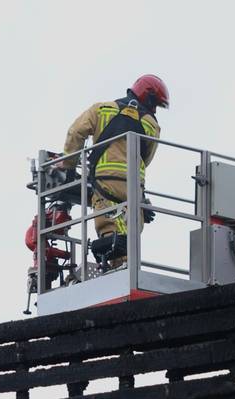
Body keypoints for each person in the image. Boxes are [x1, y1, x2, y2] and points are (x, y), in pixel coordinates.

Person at [62, 74, 169, 267]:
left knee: (111, 232)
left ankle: (120, 272)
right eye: (155, 105)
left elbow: (75, 132)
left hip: (105, 184)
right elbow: (146, 159)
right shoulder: (152, 125)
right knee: (130, 235)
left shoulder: (101, 109)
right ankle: (128, 271)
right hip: (134, 190)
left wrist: (68, 165)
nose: (154, 109)